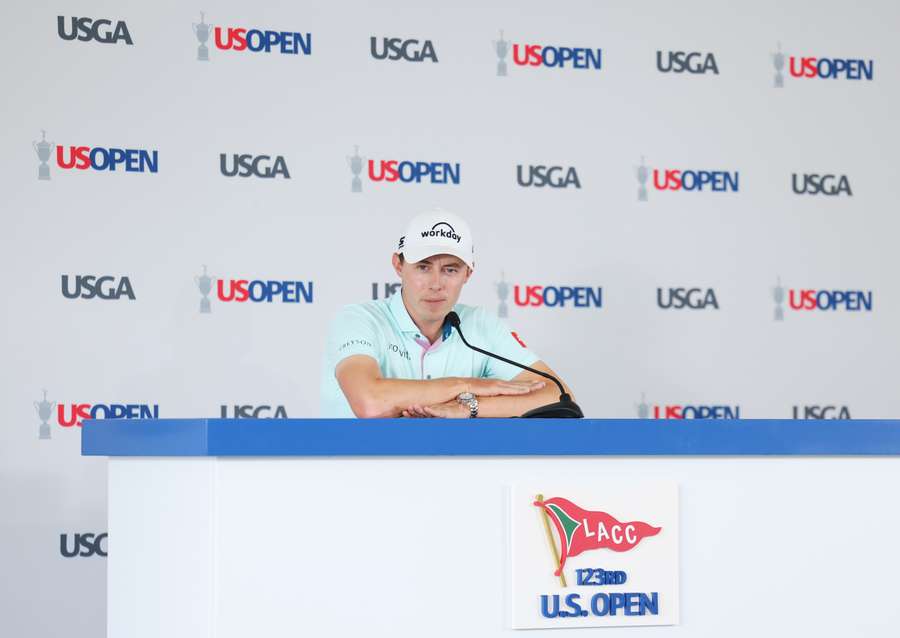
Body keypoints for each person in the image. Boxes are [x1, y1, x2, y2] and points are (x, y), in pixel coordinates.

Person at [320, 209, 574, 418]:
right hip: (359, 473)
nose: (436, 283)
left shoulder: (480, 323)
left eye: (450, 270)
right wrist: (466, 385)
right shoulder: (358, 319)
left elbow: (558, 396)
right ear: (398, 265)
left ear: (468, 273)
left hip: (450, 473)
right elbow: (370, 402)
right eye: (423, 267)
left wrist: (468, 407)